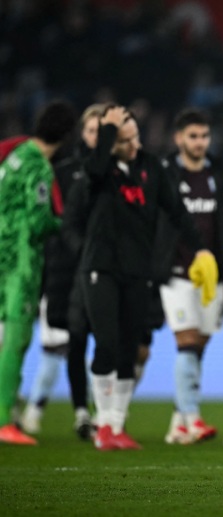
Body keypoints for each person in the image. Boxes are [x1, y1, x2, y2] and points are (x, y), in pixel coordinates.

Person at [80, 105, 217, 451]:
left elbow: (177, 211)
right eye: (123, 139)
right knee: (107, 344)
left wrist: (200, 248)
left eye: (134, 136)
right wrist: (107, 132)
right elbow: (94, 171)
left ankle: (115, 424)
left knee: (130, 348)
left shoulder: (151, 167)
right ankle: (103, 424)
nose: (133, 145)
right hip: (101, 267)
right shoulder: (100, 167)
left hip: (138, 269)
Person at [155, 108, 223, 445]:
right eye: (193, 136)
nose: (199, 142)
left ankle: (178, 422)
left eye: (204, 136)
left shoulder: (222, 174)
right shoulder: (164, 174)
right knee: (186, 340)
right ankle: (193, 418)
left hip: (214, 277)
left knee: (199, 344)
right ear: (178, 138)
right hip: (176, 273)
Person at [19, 104, 105, 439]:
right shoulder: (62, 172)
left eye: (102, 131)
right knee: (68, 343)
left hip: (105, 269)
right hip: (64, 271)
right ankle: (77, 412)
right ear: (81, 133)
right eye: (92, 130)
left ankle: (104, 413)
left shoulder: (119, 174)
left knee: (104, 344)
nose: (97, 137)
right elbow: (51, 221)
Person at [0, 100, 77, 445]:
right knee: (16, 339)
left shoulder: (14, 155)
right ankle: (4, 420)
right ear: (67, 136)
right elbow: (38, 221)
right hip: (20, 262)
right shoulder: (39, 168)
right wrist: (63, 222)